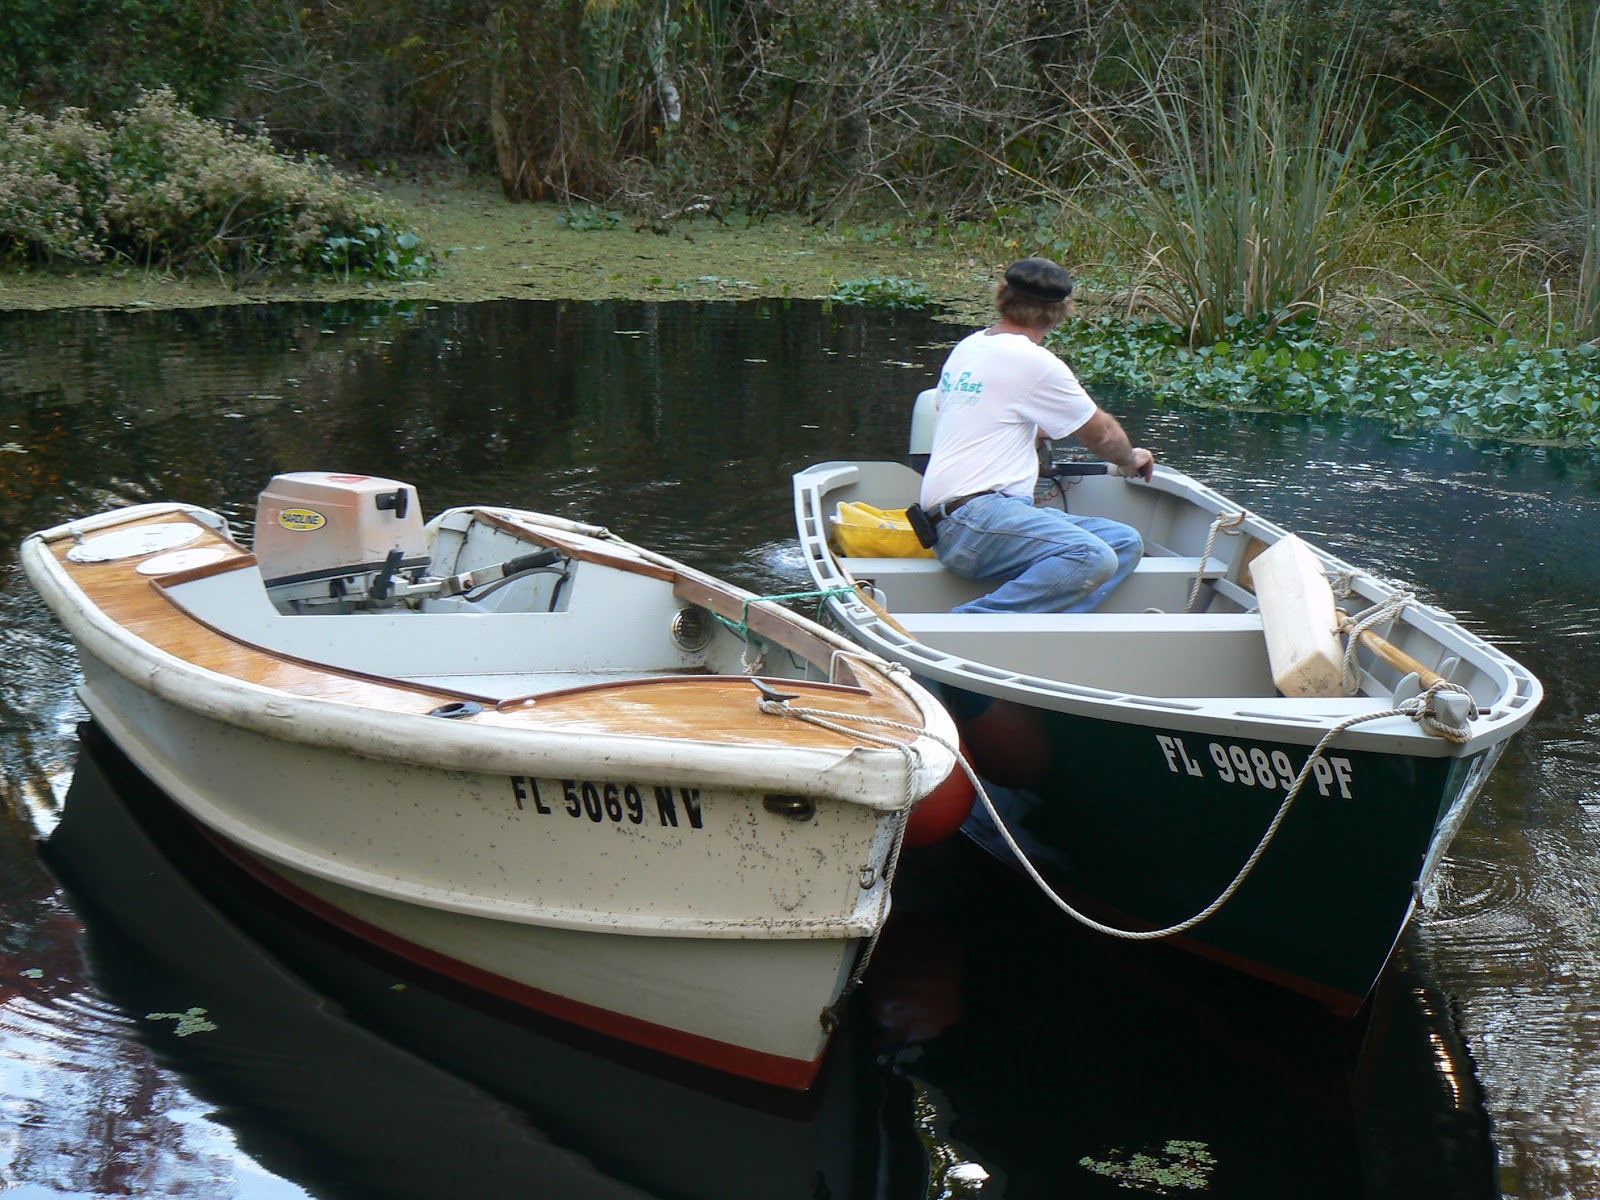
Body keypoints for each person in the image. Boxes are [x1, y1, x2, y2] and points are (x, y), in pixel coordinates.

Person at [918, 256, 1155, 614]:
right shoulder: (1035, 363)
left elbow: (976, 413)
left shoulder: (970, 346)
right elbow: (1103, 435)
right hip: (975, 520)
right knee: (1090, 555)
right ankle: (967, 626)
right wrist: (1130, 459)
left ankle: (1044, 633)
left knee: (1123, 542)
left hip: (954, 521)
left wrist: (1033, 428)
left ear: (1002, 296)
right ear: (1059, 313)